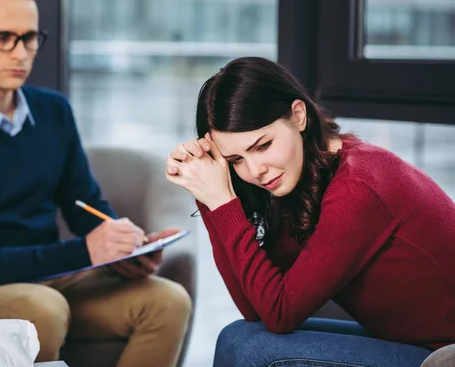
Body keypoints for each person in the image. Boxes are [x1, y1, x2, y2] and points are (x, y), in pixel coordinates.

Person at [0, 0, 191, 366]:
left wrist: (124, 247)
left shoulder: (54, 111)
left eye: (31, 37)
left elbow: (83, 205)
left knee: (169, 301)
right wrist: (86, 250)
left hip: (51, 280)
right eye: (4, 37)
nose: (21, 53)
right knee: (42, 310)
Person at [166, 56, 455, 367]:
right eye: (235, 160)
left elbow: (280, 314)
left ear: (298, 115)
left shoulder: (358, 186)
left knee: (252, 351)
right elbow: (256, 309)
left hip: (443, 351)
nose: (254, 171)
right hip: (406, 341)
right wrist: (209, 197)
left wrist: (222, 202)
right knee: (237, 335)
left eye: (262, 146)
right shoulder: (302, 180)